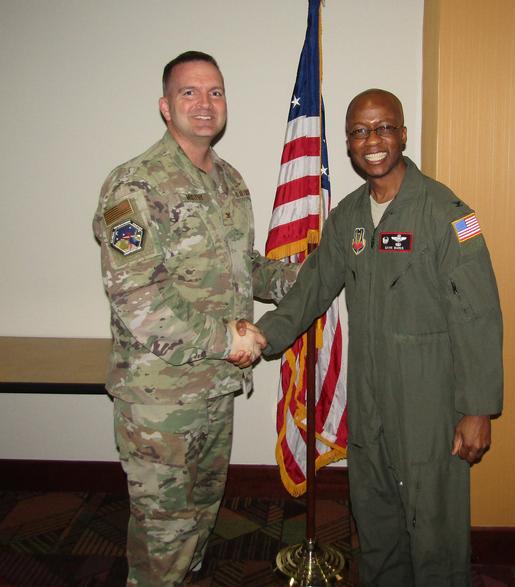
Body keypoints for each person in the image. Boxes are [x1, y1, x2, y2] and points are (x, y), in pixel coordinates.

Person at [254, 89, 503, 586]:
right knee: (377, 526)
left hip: (430, 407)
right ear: (348, 143)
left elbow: (479, 315)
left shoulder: (449, 213)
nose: (373, 140)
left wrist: (477, 410)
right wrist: (262, 338)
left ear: (403, 134)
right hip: (369, 405)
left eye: (384, 127)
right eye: (361, 131)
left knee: (436, 535)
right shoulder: (348, 216)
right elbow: (312, 290)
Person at [92, 51, 290, 587]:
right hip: (161, 403)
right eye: (189, 93)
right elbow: (139, 300)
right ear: (165, 106)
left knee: (200, 526)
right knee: (164, 542)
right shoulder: (133, 187)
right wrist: (227, 339)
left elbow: (242, 268)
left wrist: (304, 279)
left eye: (215, 92)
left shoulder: (229, 182)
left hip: (214, 392)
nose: (205, 104)